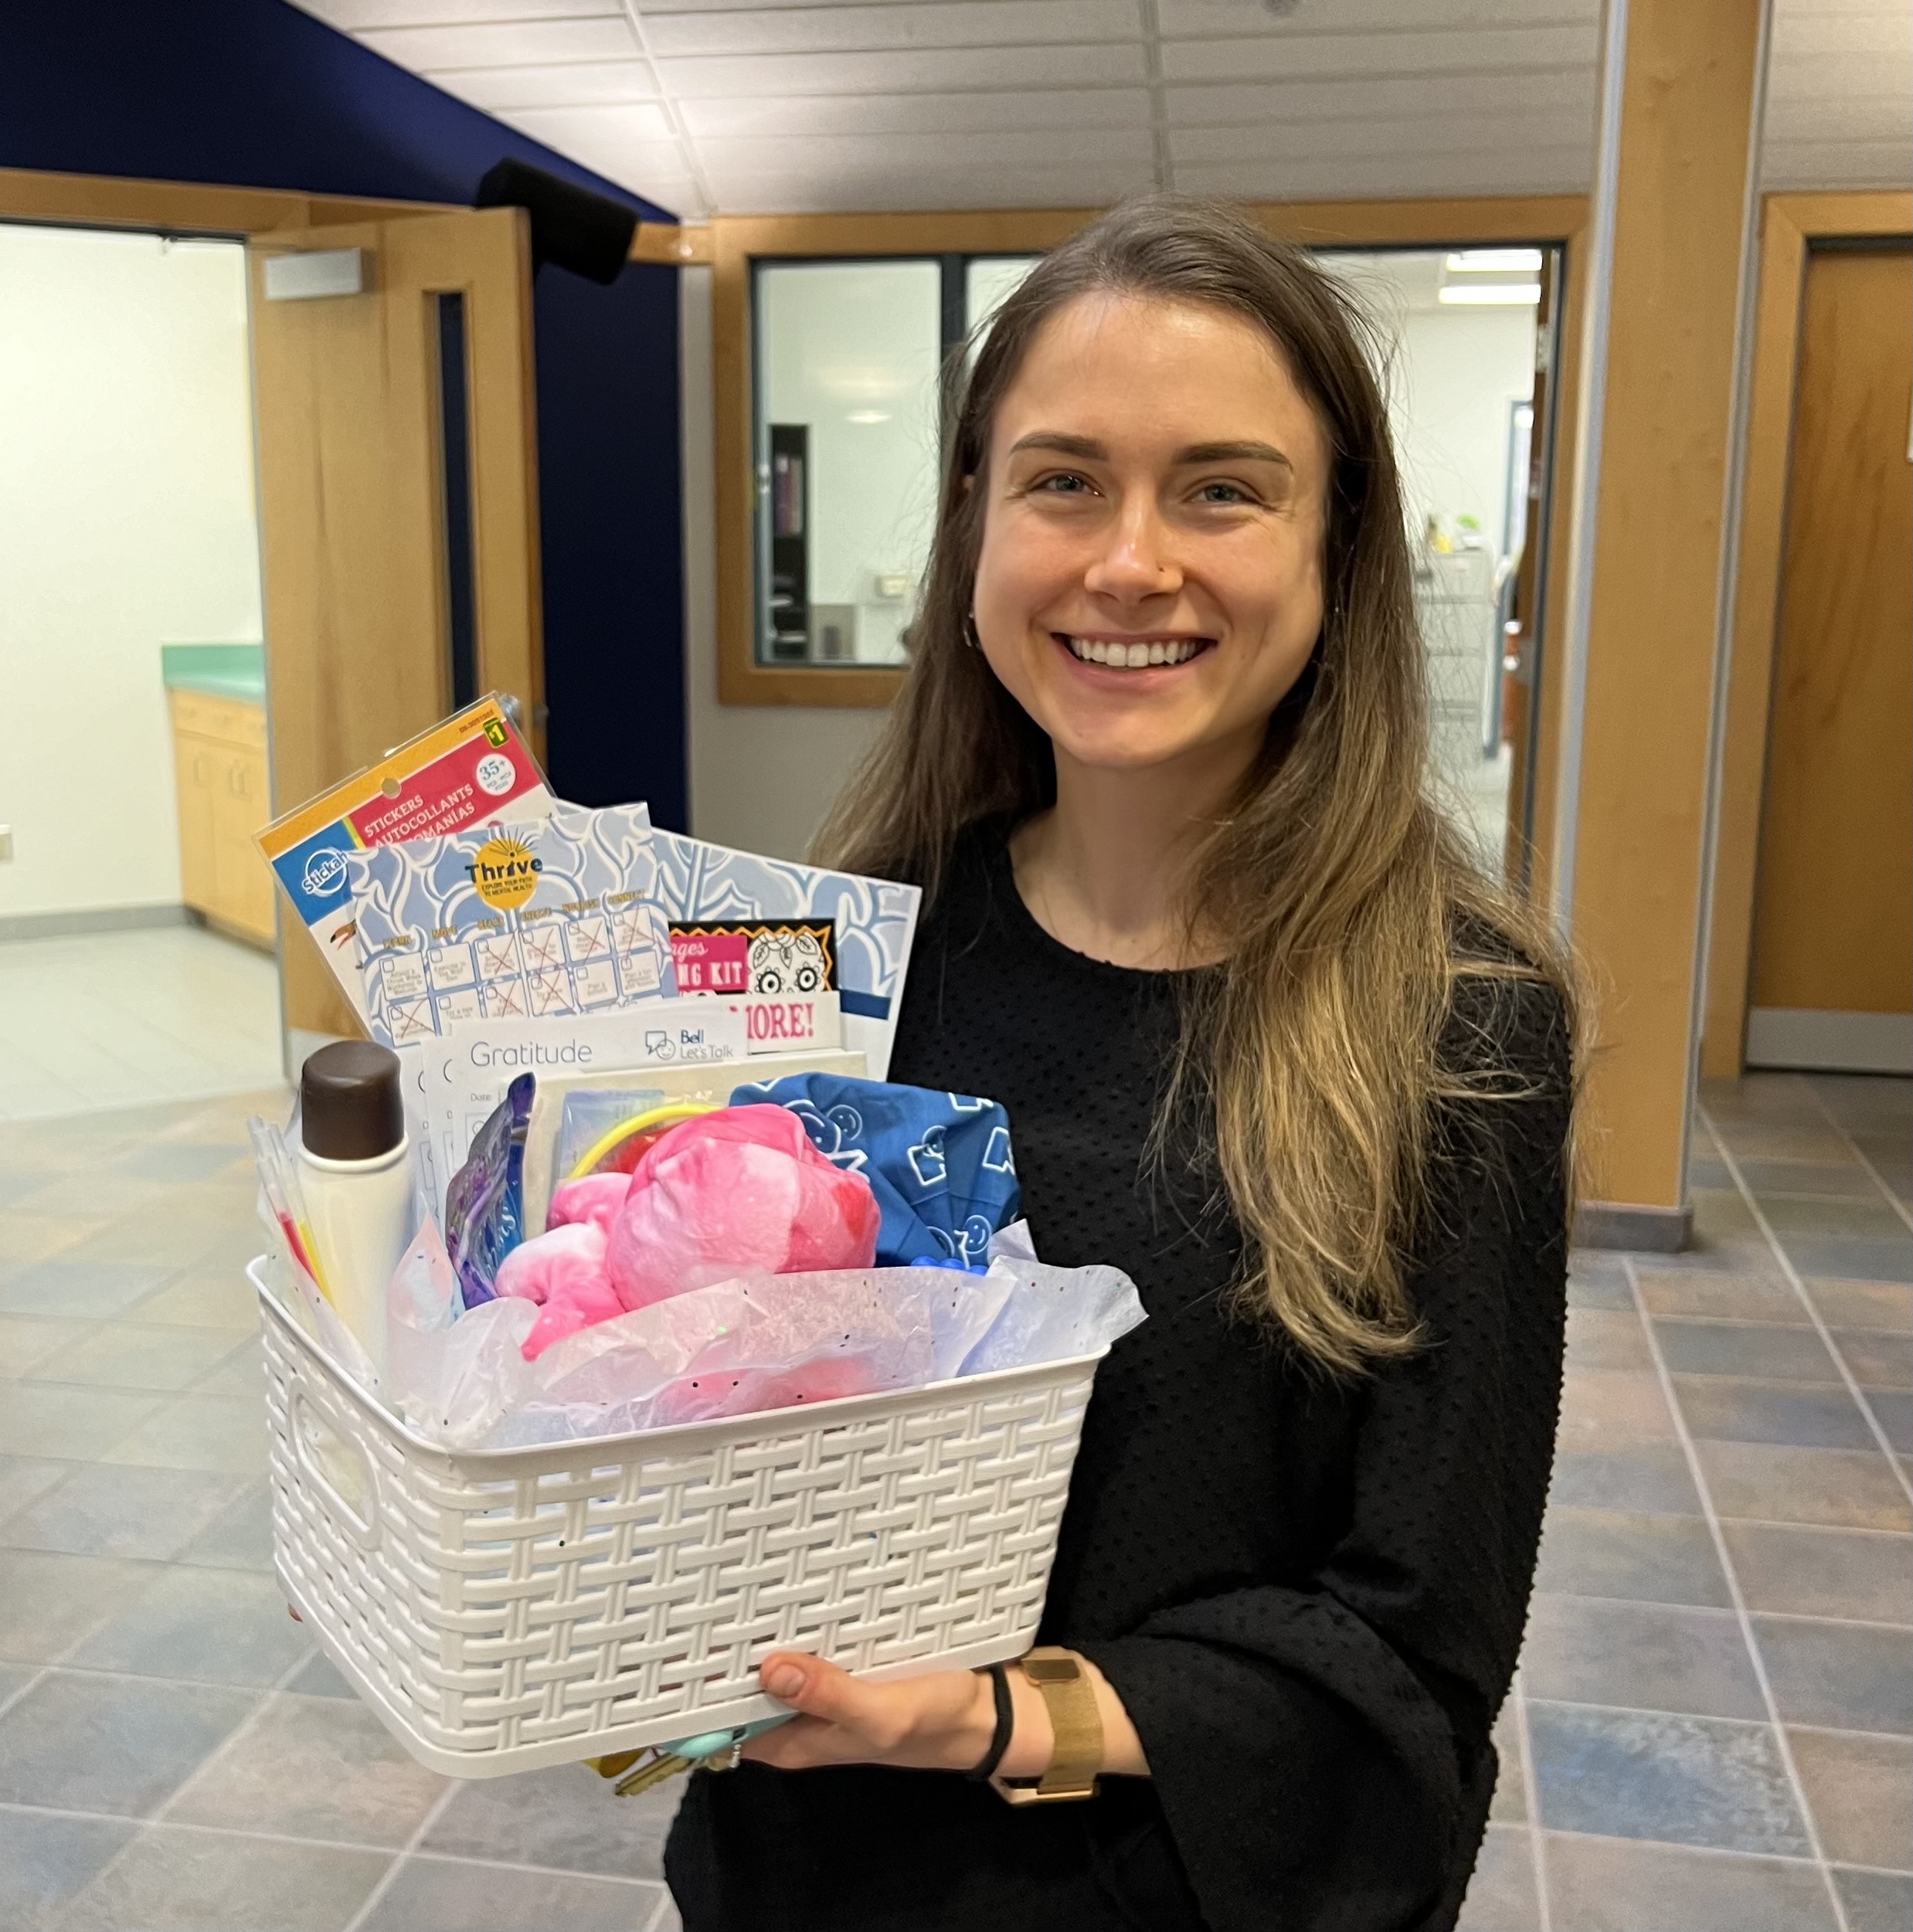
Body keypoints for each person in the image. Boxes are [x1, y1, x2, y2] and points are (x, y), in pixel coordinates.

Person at [665, 195, 1578, 1932]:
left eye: (1222, 489)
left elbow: (1412, 1657)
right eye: (1065, 481)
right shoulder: (843, 971)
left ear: (1337, 547)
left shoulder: (1460, 1032)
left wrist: (984, 1716)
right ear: (975, 522)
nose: (1131, 563)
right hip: (802, 1872)